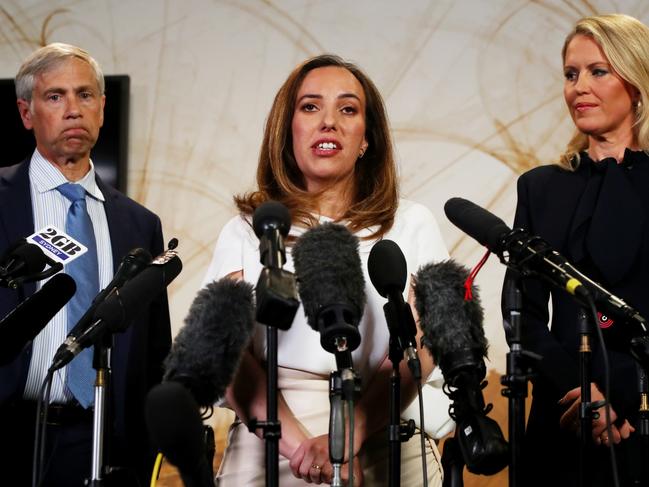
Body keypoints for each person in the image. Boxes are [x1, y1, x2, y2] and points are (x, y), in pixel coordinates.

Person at [203, 54, 449, 486]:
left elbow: (424, 348)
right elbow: (230, 360)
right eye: (310, 107)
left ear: (367, 139)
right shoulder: (248, 230)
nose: (328, 122)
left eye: (348, 109)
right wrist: (302, 446)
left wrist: (349, 431)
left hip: (387, 425)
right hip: (272, 438)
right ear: (288, 131)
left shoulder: (411, 222)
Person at [0, 43, 171, 487]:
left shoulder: (140, 225)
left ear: (102, 108)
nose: (73, 109)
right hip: (10, 433)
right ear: (26, 112)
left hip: (103, 444)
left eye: (85, 95)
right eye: (55, 96)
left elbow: (154, 353)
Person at [503, 14, 649, 486]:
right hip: (563, 411)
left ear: (637, 81)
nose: (578, 87)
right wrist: (581, 391)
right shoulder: (541, 188)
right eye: (570, 74)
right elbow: (521, 312)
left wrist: (622, 397)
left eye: (597, 71)